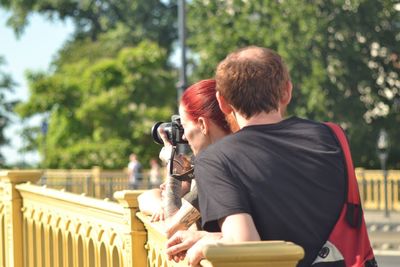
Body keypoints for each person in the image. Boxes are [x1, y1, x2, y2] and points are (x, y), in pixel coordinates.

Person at [166, 46, 347, 267]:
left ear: (223, 103)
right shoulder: (330, 135)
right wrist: (212, 237)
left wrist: (206, 243)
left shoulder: (217, 160)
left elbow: (246, 246)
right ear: (287, 91)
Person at [138, 79, 234, 237]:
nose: (183, 136)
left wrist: (172, 163)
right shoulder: (231, 155)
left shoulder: (219, 167)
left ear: (202, 125)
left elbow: (172, 224)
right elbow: (145, 197)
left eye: (185, 126)